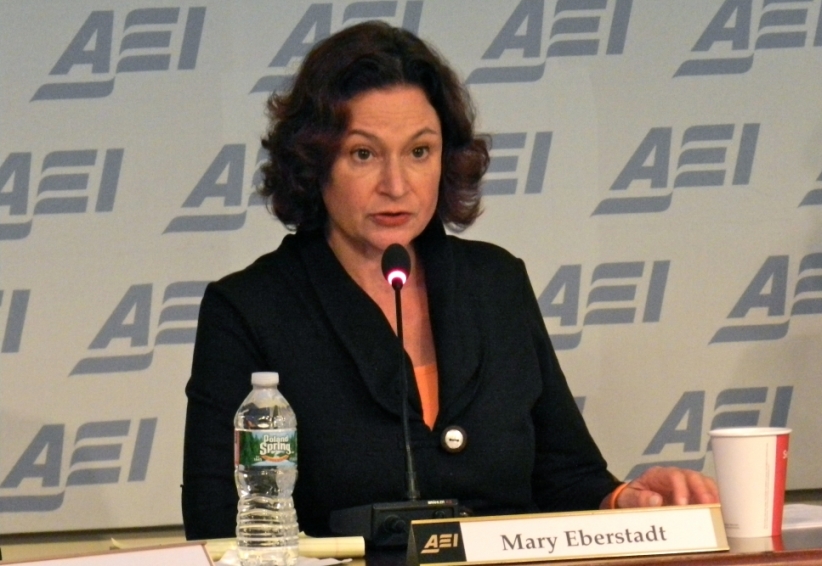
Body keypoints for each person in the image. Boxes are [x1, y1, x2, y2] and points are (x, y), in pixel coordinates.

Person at [181, 20, 717, 541]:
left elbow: (567, 477)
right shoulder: (252, 309)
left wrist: (628, 500)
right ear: (315, 164)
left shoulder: (494, 282)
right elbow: (218, 525)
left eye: (419, 152)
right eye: (363, 153)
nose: (397, 184)